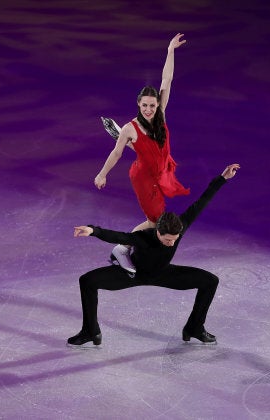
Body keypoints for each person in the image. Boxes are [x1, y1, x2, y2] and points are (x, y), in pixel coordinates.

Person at [68, 163, 240, 347]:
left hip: (163, 274)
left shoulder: (180, 226)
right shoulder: (143, 238)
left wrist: (222, 179)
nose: (171, 243)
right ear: (158, 232)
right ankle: (90, 331)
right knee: (87, 281)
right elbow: (117, 236)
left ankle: (194, 327)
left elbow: (202, 202)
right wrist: (92, 230)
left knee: (210, 281)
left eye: (175, 239)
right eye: (167, 240)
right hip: (132, 274)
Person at [94, 33, 190, 274]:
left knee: (156, 218)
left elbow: (166, 80)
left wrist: (170, 50)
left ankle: (125, 248)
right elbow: (115, 155)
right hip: (144, 177)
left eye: (152, 105)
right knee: (154, 222)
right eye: (144, 105)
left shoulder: (161, 115)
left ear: (158, 105)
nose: (149, 109)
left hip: (162, 168)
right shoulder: (131, 127)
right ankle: (122, 248)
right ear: (139, 104)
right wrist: (102, 174)